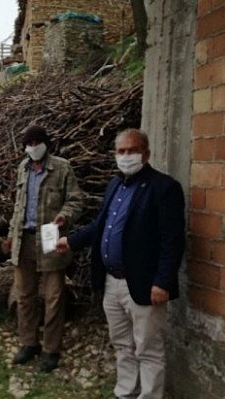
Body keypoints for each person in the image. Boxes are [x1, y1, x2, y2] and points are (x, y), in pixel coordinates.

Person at [56, 128, 186, 399]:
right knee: (122, 345)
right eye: (121, 151)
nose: (126, 156)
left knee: (148, 350)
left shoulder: (164, 188)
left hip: (143, 284)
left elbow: (172, 241)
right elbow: (99, 226)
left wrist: (163, 282)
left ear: (146, 154)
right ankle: (126, 392)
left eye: (132, 150)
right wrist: (70, 241)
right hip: (111, 282)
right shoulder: (115, 185)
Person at [3, 125, 84, 372]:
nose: (33, 147)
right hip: (23, 238)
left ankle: (51, 349)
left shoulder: (62, 167)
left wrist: (64, 216)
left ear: (46, 144)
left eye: (37, 142)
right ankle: (29, 343)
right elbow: (18, 206)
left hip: (49, 236)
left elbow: (76, 200)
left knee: (54, 296)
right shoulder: (22, 169)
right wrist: (10, 236)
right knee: (24, 295)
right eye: (28, 143)